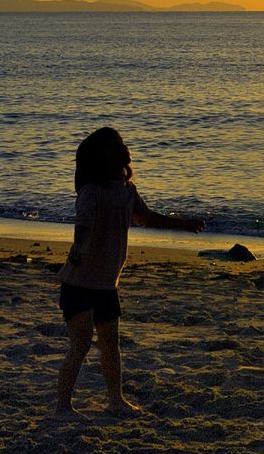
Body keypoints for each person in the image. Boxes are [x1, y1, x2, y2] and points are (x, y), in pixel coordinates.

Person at [53, 126, 205, 419]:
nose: (122, 147)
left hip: (107, 284)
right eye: (114, 144)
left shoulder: (127, 191)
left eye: (121, 142)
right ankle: (62, 406)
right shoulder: (91, 191)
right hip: (79, 282)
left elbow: (147, 218)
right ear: (100, 156)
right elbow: (83, 225)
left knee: (111, 344)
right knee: (81, 344)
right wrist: (79, 249)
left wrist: (184, 224)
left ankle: (115, 400)